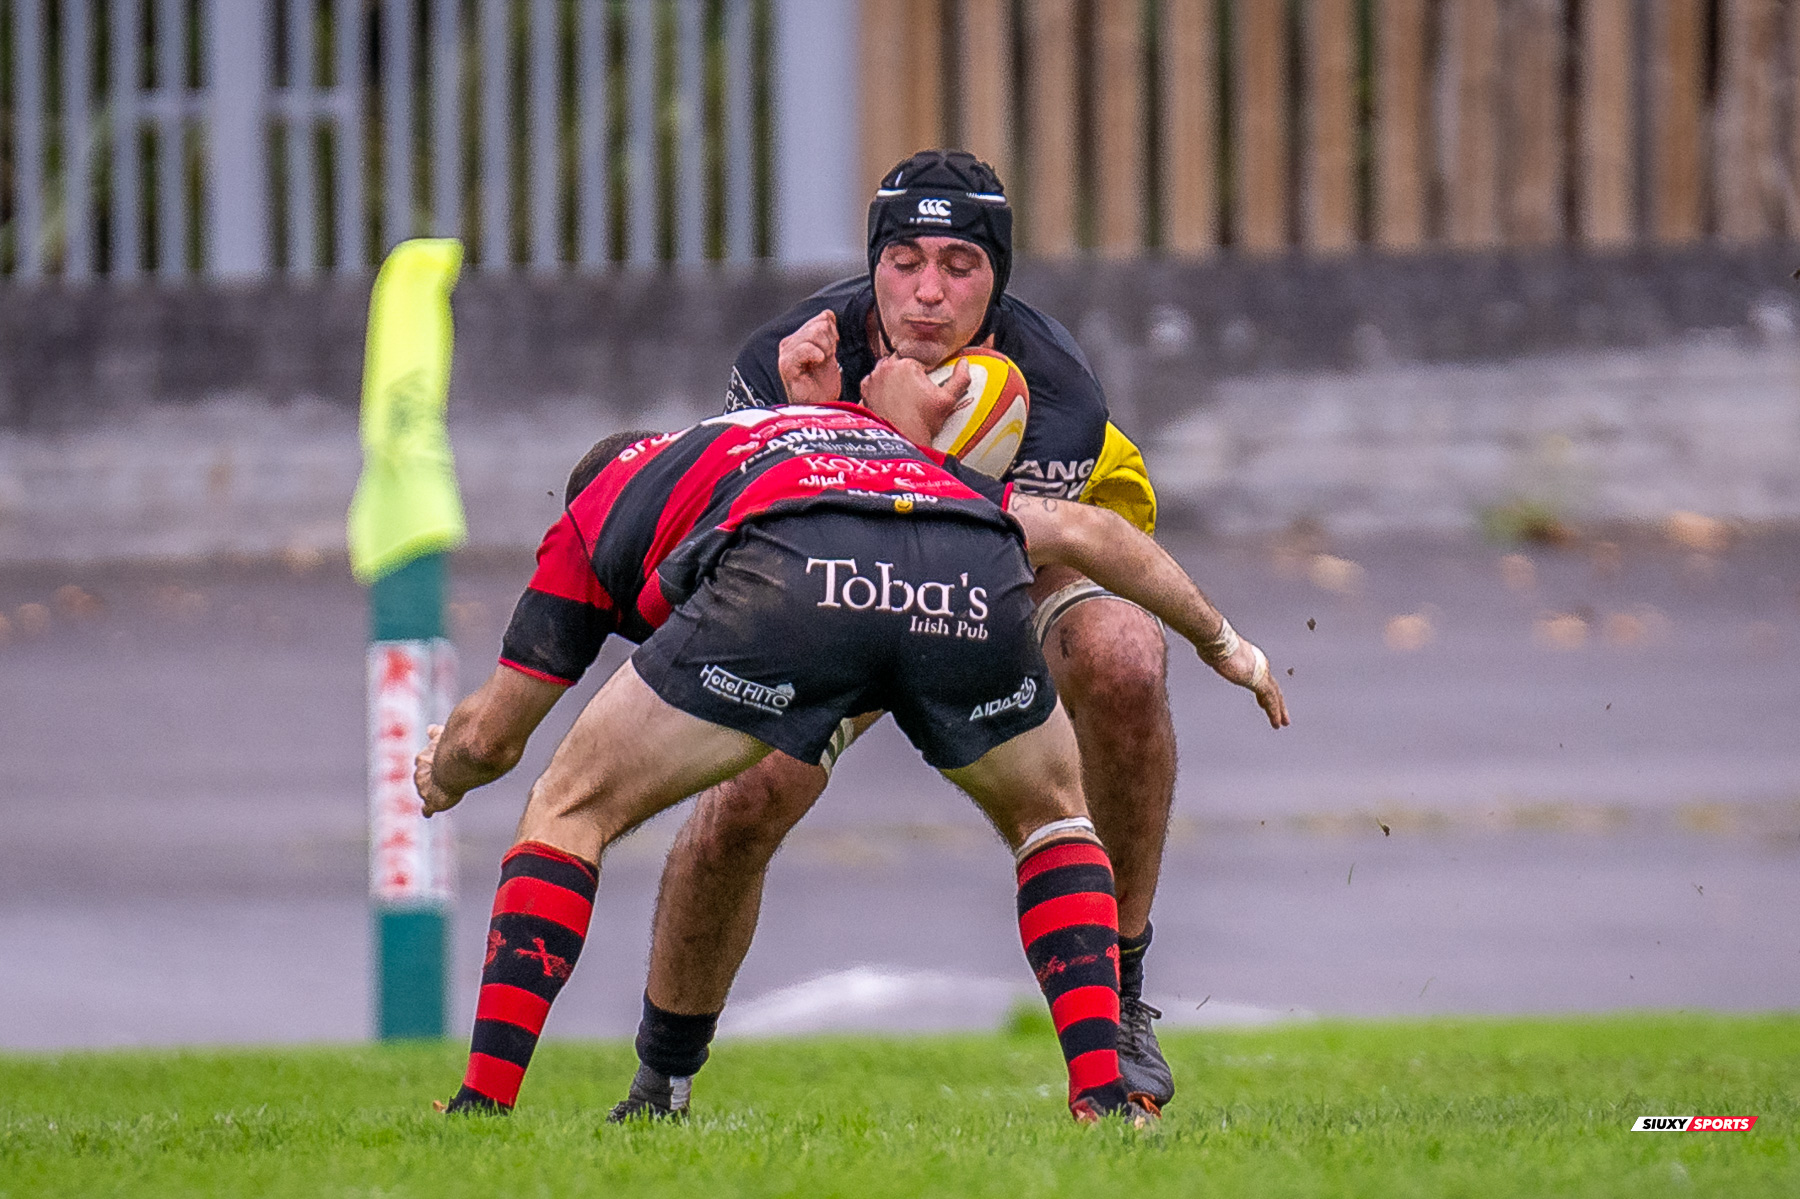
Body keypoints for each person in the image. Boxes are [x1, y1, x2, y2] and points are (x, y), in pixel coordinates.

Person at [417, 395, 1286, 1125]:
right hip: (961, 566)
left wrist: (442, 772)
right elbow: (1081, 526)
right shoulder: (836, 436)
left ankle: (483, 1105)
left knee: (570, 806)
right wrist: (1227, 644)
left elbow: (491, 736)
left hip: (791, 572)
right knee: (1055, 815)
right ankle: (1103, 1098)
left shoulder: (599, 504)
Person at [619, 149, 1195, 1118]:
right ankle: (659, 1082)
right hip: (841, 566)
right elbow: (743, 541)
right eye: (905, 261)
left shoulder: (1057, 391)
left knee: (1124, 657)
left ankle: (1122, 993)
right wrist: (810, 429)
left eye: (960, 266)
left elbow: (996, 549)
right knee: (753, 787)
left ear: (997, 278)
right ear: (873, 264)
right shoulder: (785, 360)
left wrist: (883, 449)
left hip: (1011, 559)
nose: (928, 292)